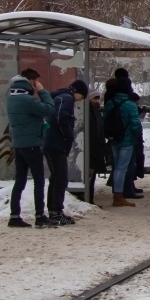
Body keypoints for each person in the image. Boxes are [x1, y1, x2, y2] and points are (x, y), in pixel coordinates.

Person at [6, 68, 57, 228]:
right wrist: (42, 91)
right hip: (32, 145)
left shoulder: (11, 98)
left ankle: (14, 215)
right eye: (35, 81)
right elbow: (49, 109)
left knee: (20, 180)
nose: (37, 84)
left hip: (19, 145)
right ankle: (40, 215)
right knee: (39, 180)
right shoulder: (26, 100)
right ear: (30, 82)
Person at [43, 79, 87, 226]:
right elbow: (61, 118)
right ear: (78, 92)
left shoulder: (58, 97)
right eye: (82, 96)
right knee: (60, 178)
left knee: (56, 178)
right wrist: (69, 135)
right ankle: (56, 213)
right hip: (57, 144)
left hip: (50, 142)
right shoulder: (67, 98)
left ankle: (54, 211)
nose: (81, 100)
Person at [103, 77, 142, 207]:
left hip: (114, 139)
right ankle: (118, 196)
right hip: (127, 139)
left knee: (116, 166)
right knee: (122, 168)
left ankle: (117, 193)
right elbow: (135, 124)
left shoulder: (110, 103)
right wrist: (136, 136)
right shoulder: (130, 104)